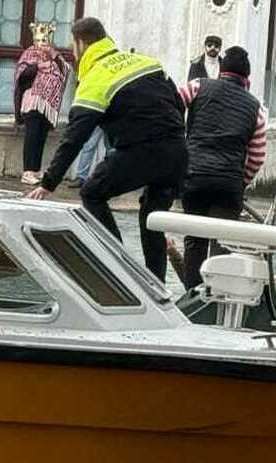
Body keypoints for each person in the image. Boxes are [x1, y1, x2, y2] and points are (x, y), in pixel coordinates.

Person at [26, 17, 187, 283]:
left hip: (141, 150)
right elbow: (178, 104)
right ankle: (156, 285)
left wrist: (48, 183)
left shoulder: (95, 78)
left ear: (81, 44)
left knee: (92, 192)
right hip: (176, 150)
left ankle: (118, 267)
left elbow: (74, 137)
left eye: (73, 48)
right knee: (152, 217)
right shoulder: (146, 62)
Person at [175, 46, 268, 290]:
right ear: (247, 79)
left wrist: (178, 152)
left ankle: (192, 293)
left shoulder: (197, 85)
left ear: (221, 72)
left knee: (194, 241)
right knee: (221, 244)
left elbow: (171, 103)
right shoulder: (256, 108)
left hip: (193, 177)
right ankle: (216, 295)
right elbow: (257, 157)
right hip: (229, 185)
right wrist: (242, 182)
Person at [14, 22, 71, 185]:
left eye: (44, 41)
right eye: (38, 40)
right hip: (32, 102)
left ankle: (36, 170)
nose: (41, 44)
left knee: (41, 137)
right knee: (31, 136)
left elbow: (66, 71)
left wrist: (53, 55)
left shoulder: (55, 56)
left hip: (48, 106)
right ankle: (27, 171)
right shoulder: (29, 54)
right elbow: (21, 75)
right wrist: (38, 66)